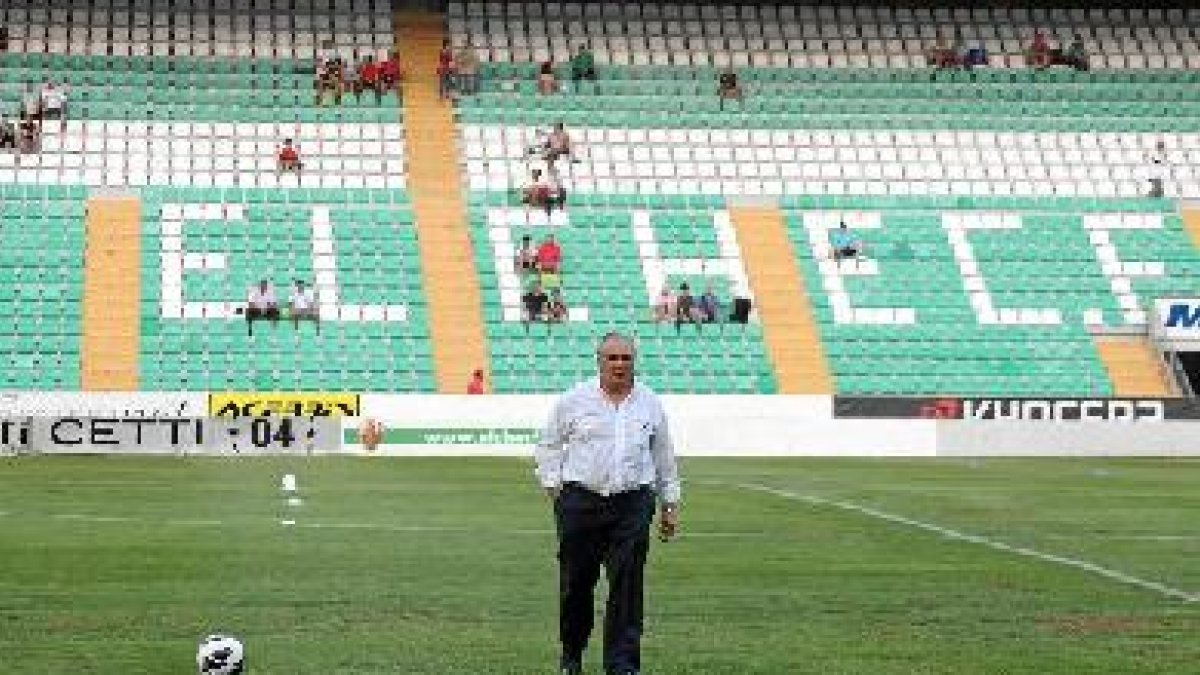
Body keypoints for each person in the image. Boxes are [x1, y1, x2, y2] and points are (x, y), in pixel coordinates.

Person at [534, 331, 681, 675]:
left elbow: (664, 456)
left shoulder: (650, 403)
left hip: (632, 503)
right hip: (580, 503)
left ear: (634, 362)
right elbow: (549, 445)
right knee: (576, 584)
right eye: (612, 358)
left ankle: (622, 664)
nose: (619, 365)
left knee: (628, 585)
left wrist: (670, 503)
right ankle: (572, 653)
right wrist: (554, 488)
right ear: (599, 361)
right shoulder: (574, 400)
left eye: (625, 358)